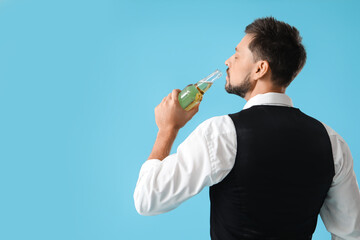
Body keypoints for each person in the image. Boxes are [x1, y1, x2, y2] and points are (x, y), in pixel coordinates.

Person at [133, 17, 360, 240]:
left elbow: (147, 199)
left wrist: (167, 129)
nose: (227, 61)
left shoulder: (221, 133)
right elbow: (351, 233)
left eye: (237, 54)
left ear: (260, 68)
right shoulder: (332, 142)